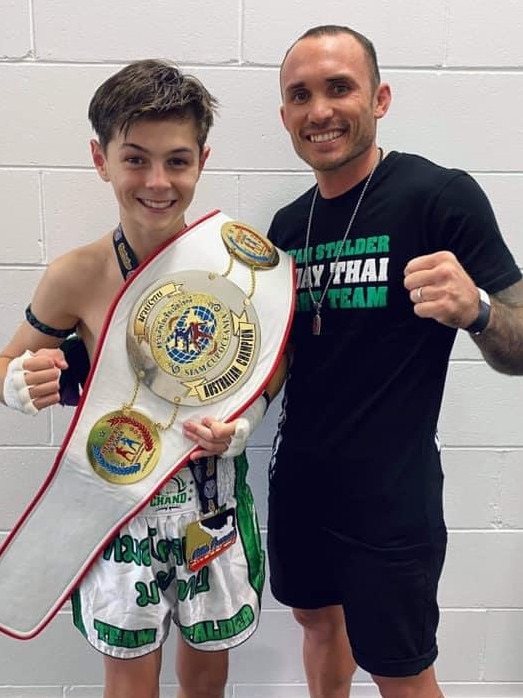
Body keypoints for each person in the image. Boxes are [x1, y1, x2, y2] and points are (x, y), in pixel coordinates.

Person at [0, 59, 283, 698]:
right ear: (101, 159)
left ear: (202, 160)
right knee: (128, 681)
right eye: (136, 159)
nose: (158, 181)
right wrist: (17, 385)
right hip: (116, 502)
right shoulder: (76, 273)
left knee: (207, 674)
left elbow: (273, 364)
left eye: (177, 161)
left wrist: (248, 422)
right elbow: (7, 361)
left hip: (209, 499)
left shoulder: (237, 262)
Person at [266, 24, 523, 698]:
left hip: (389, 494)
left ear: (379, 98)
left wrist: (479, 311)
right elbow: (270, 364)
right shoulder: (285, 230)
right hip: (299, 480)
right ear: (284, 115)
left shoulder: (436, 195)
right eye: (300, 95)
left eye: (338, 87)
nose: (319, 109)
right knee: (315, 622)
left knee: (399, 668)